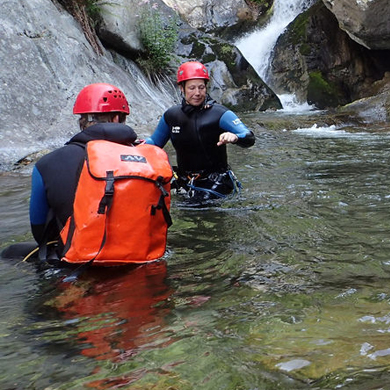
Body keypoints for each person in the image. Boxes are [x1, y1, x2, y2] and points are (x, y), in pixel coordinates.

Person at [20, 83, 173, 265]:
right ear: (118, 118)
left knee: (12, 252)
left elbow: (39, 232)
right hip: (143, 261)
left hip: (79, 266)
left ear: (82, 119)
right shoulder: (150, 159)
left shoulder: (47, 163)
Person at [146, 61, 255, 201]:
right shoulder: (172, 115)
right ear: (181, 88)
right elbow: (154, 143)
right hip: (185, 180)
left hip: (216, 181)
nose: (197, 93)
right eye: (191, 88)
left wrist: (235, 137)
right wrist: (135, 146)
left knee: (200, 206)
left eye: (201, 88)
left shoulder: (220, 114)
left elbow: (249, 137)